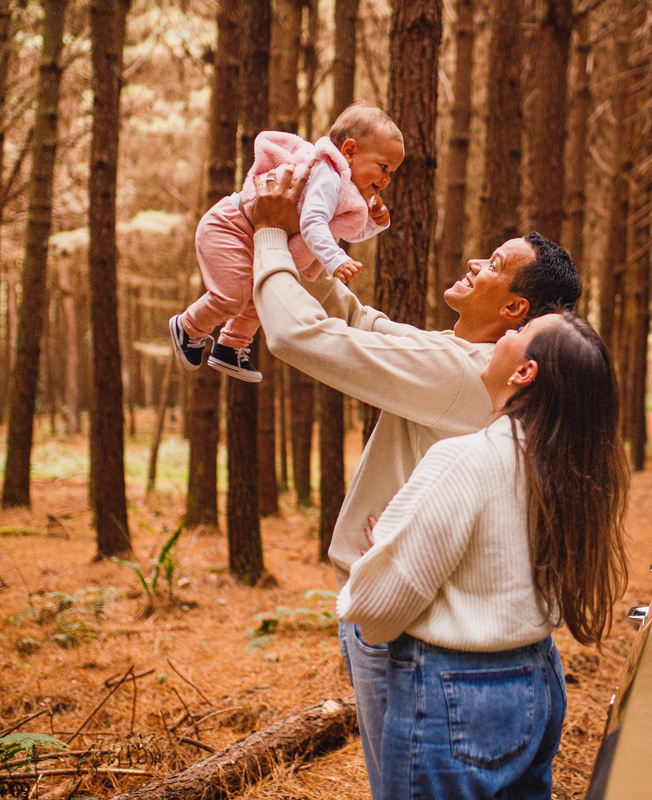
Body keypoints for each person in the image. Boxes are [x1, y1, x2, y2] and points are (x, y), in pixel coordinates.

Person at [247, 163, 582, 798]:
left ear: (514, 308)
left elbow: (297, 336)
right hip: (498, 652)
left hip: (415, 633)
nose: (476, 261)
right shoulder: (465, 362)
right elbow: (361, 322)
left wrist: (267, 237)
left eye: (494, 263)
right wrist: (308, 239)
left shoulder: (464, 374)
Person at [337, 310, 629, 800]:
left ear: (525, 372)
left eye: (521, 332)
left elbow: (378, 608)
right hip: (538, 679)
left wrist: (379, 552)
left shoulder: (463, 458)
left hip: (452, 693)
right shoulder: (565, 472)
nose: (507, 333)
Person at [169, 102, 404, 383]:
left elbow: (341, 230)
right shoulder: (327, 175)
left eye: (392, 173)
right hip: (231, 226)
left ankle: (231, 346)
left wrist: (374, 222)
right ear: (350, 151)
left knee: (260, 294)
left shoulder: (345, 188)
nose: (386, 179)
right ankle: (188, 326)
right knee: (232, 297)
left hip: (254, 236)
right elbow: (313, 223)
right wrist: (336, 260)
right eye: (383, 167)